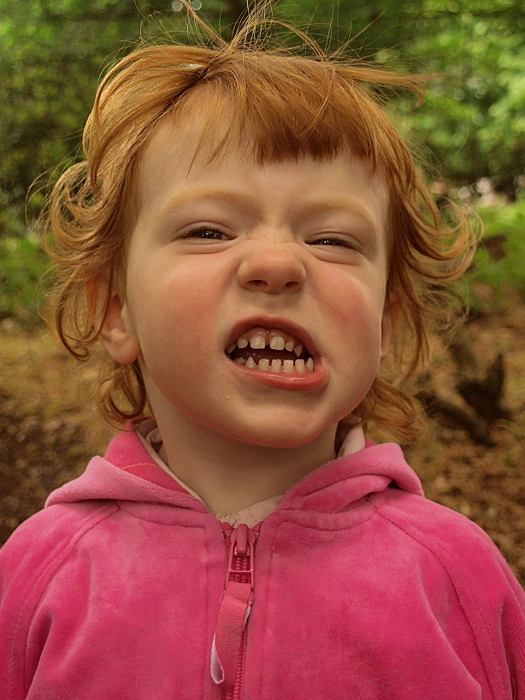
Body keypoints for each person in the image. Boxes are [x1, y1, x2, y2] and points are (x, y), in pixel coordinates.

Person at [1, 6, 524, 699]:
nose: (277, 263)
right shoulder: (36, 577)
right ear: (116, 311)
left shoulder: (459, 582)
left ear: (385, 324)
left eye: (332, 239)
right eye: (210, 231)